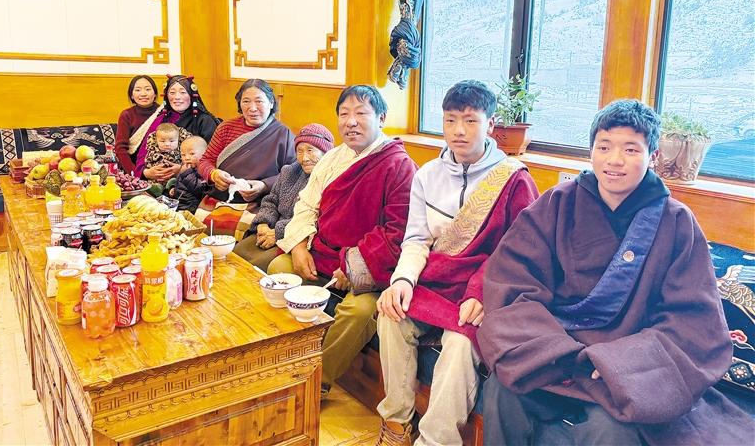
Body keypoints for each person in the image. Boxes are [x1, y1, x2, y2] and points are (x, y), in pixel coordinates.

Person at [477, 99, 754, 446]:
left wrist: (617, 363)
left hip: (624, 373)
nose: (615, 160)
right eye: (604, 147)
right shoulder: (556, 204)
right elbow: (513, 281)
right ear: (591, 151)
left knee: (611, 430)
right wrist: (554, 350)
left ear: (653, 156)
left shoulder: (676, 222)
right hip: (551, 354)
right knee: (502, 392)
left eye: (630, 149)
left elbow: (691, 321)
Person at [374, 80, 539, 446]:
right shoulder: (427, 175)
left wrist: (483, 293)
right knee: (390, 314)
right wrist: (402, 281)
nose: (459, 131)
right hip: (436, 282)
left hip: (485, 293)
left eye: (470, 120)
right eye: (450, 120)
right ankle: (397, 423)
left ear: (490, 124)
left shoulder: (514, 180)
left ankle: (434, 441)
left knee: (461, 343)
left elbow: (520, 254)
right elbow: (416, 239)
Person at [270, 85, 417, 398]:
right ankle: (285, 357)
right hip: (322, 254)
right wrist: (299, 246)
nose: (351, 122)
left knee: (359, 312)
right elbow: (306, 204)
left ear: (381, 118)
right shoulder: (333, 158)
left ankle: (315, 382)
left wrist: (352, 267)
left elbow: (397, 233)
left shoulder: (398, 165)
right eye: (344, 114)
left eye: (361, 113)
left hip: (369, 269)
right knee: (279, 268)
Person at [233, 123, 334, 270]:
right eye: (299, 151)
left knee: (256, 267)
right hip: (270, 231)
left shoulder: (331, 178)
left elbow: (317, 218)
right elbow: (271, 200)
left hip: (298, 239)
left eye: (310, 150)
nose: (304, 158)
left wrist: (278, 233)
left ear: (325, 151)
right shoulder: (289, 171)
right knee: (237, 254)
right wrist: (263, 224)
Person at [197, 79, 295, 214]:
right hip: (220, 198)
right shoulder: (226, 128)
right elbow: (205, 161)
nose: (252, 108)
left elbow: (293, 173)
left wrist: (264, 185)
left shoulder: (283, 134)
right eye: (246, 101)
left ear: (271, 103)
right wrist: (214, 174)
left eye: (259, 101)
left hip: (263, 203)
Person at [135, 75, 219, 182]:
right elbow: (143, 152)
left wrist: (182, 169)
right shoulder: (160, 119)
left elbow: (212, 157)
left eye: (183, 92)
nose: (177, 97)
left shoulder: (205, 121)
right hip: (156, 182)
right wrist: (146, 172)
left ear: (191, 95)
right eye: (172, 92)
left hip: (194, 182)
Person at [115, 75, 160, 174]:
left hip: (159, 166)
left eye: (148, 89)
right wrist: (136, 173)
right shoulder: (126, 115)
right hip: (134, 169)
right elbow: (120, 149)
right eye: (138, 90)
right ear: (132, 95)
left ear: (155, 94)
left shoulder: (163, 113)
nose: (143, 94)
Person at [174, 136, 211, 213]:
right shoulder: (187, 167)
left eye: (192, 153)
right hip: (179, 201)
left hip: (191, 206)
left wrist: (187, 174)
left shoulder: (204, 169)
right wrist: (173, 187)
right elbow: (180, 180)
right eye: (183, 155)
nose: (187, 158)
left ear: (205, 153)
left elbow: (200, 189)